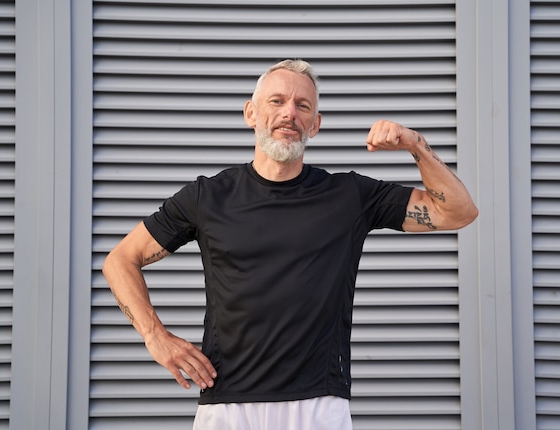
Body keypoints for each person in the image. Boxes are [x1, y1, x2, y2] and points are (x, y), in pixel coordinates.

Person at [102, 59, 478, 429]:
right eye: (277, 101)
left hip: (319, 405)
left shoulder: (349, 196)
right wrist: (156, 338)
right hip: (228, 403)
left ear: (315, 125)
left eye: (303, 106)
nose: (289, 114)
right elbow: (120, 260)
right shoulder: (208, 197)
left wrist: (416, 146)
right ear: (251, 113)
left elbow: (457, 213)